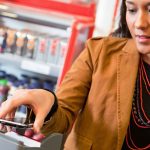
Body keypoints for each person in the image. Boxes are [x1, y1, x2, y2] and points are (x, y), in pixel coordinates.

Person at [0, 0, 149, 149]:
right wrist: (50, 102)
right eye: (132, 10)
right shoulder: (99, 53)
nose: (139, 23)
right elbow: (63, 113)